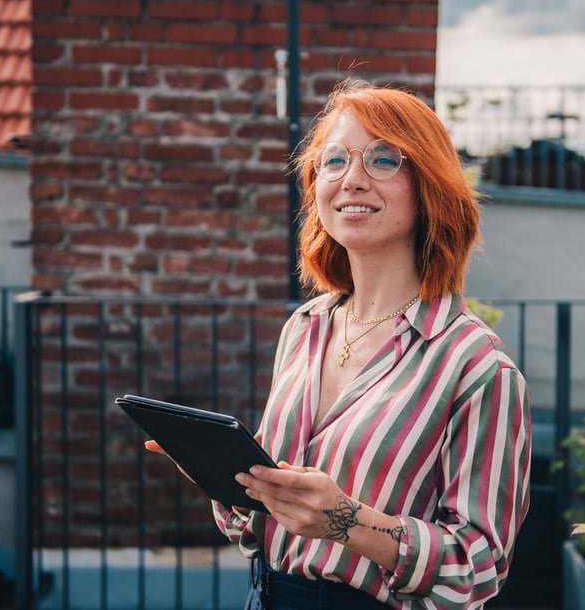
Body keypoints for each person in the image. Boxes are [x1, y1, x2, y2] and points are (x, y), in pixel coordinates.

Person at [148, 82, 532, 609]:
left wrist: (346, 522)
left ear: (431, 186)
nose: (351, 178)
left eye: (382, 159)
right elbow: (262, 522)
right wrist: (227, 479)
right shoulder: (305, 326)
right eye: (334, 160)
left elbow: (476, 567)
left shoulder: (478, 366)